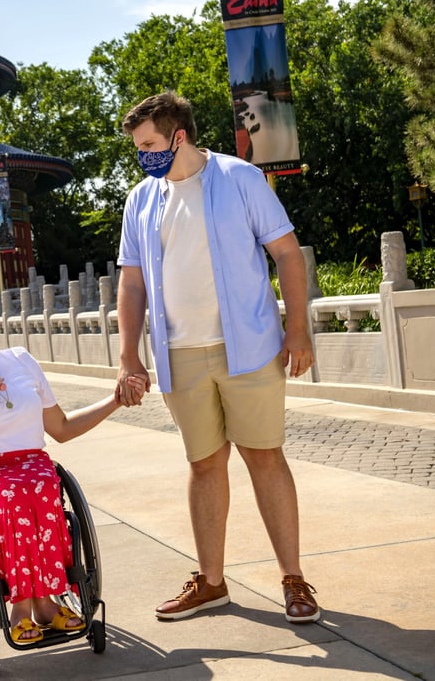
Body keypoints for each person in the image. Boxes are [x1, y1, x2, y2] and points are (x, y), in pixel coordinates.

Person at [115, 91, 321, 624]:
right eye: (138, 148)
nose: (143, 156)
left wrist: (296, 330)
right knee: (203, 465)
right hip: (179, 355)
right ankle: (211, 583)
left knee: (264, 457)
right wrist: (127, 356)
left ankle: (294, 580)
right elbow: (131, 284)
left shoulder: (240, 179)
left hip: (248, 347)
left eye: (149, 145)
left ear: (178, 136)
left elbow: (287, 255)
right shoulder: (140, 200)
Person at [0, 272, 145, 644]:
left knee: (41, 483)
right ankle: (22, 607)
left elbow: (62, 428)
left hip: (30, 465)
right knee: (14, 495)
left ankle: (47, 604)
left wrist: (116, 401)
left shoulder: (20, 361)